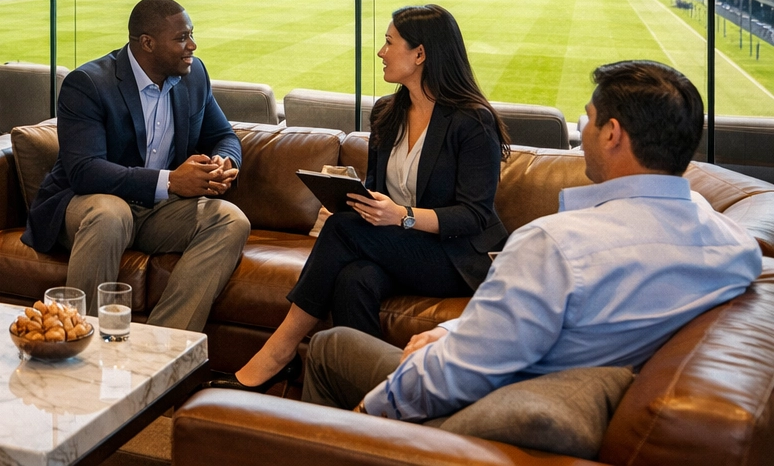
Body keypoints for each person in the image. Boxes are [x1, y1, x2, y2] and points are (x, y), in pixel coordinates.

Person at [302, 60, 762, 421]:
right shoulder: (735, 249)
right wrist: (450, 329)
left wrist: (367, 417)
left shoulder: (556, 246)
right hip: (554, 390)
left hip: (487, 405)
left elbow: (456, 376)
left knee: (331, 347)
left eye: (588, 120)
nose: (583, 133)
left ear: (613, 135)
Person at [223, 4, 507, 391]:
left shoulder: (473, 121)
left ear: (420, 54)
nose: (381, 52)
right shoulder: (387, 113)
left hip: (456, 256)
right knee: (354, 279)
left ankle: (279, 350)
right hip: (399, 246)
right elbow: (377, 189)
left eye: (390, 43)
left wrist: (402, 216)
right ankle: (371, 394)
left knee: (341, 230)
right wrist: (355, 201)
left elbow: (474, 215)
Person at [22, 0, 250, 332]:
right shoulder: (88, 84)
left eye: (191, 35)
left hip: (156, 210)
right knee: (112, 214)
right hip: (88, 203)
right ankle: (76, 339)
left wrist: (224, 159)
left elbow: (224, 135)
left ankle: (164, 345)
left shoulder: (194, 75)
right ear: (147, 43)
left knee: (231, 220)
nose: (193, 45)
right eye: (181, 38)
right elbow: (85, 171)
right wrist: (171, 181)